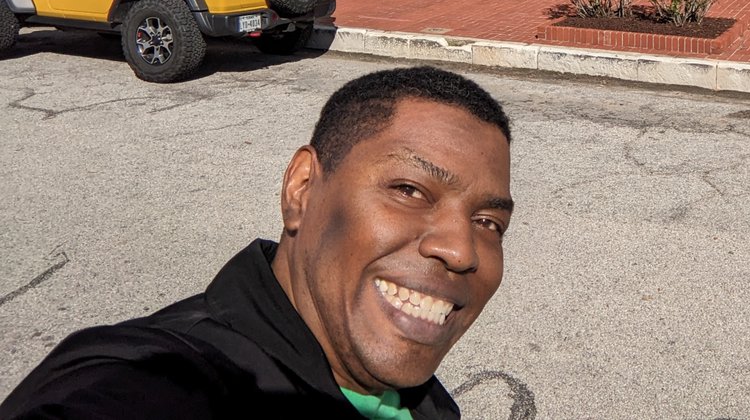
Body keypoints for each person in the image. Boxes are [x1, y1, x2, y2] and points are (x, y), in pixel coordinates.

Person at [1, 66, 514, 420]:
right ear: (302, 189)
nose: (461, 250)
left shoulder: (417, 400)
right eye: (408, 190)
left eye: (489, 222)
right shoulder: (155, 379)